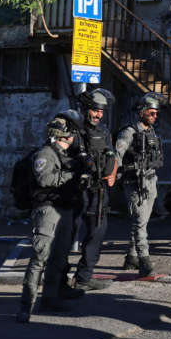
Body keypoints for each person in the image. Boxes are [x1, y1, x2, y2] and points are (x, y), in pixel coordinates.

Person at [17, 110, 87, 322]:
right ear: (62, 135)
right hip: (47, 210)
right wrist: (72, 174)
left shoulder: (66, 156)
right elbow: (45, 179)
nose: (73, 138)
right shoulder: (45, 154)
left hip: (64, 209)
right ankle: (26, 305)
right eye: (71, 133)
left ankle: (50, 298)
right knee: (40, 257)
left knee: (59, 257)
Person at [73, 87, 117, 291]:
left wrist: (113, 173)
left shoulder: (104, 131)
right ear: (85, 108)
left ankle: (83, 278)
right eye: (95, 110)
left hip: (97, 192)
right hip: (73, 191)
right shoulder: (73, 129)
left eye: (101, 111)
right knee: (64, 236)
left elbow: (112, 154)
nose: (98, 115)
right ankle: (57, 282)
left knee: (96, 234)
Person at [115, 93, 165, 276]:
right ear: (142, 112)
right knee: (139, 223)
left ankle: (131, 257)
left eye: (156, 114)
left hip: (150, 181)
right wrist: (117, 175)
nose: (154, 116)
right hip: (134, 182)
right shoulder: (129, 132)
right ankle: (144, 261)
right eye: (151, 113)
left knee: (142, 222)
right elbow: (117, 154)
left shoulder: (150, 132)